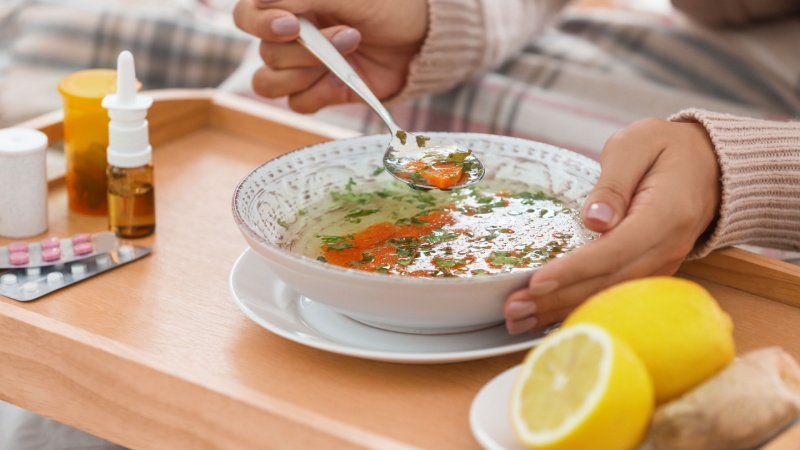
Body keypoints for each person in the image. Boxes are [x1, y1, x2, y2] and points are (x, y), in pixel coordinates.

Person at [232, 0, 800, 334]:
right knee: (242, 85)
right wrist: (446, 21)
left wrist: (741, 170)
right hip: (687, 34)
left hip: (765, 99)